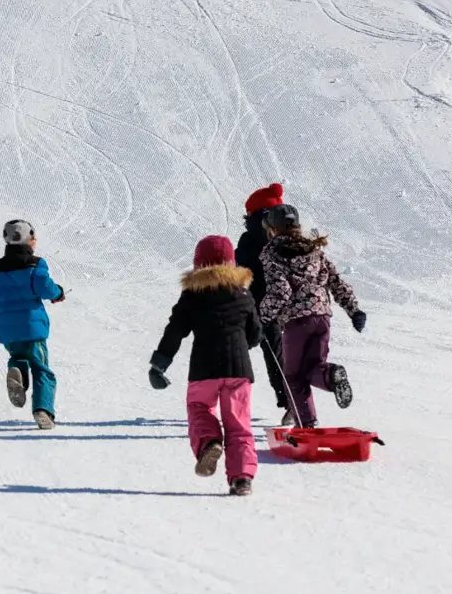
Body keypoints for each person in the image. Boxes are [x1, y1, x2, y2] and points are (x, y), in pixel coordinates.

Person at [149, 235, 262, 496]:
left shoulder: (193, 295)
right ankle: (242, 478)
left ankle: (209, 442)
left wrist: (159, 364)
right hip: (238, 370)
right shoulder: (243, 294)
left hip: (204, 367)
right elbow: (255, 334)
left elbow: (175, 331)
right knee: (239, 424)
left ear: (199, 263)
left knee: (199, 408)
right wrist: (241, 342)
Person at [258, 205, 366, 427]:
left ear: (273, 229)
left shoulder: (273, 252)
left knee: (294, 376)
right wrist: (354, 310)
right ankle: (332, 374)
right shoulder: (313, 249)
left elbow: (281, 291)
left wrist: (263, 317)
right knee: (313, 368)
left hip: (297, 322)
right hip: (322, 317)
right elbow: (335, 281)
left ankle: (307, 426)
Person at [0, 220, 66, 429]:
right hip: (32, 327)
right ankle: (43, 410)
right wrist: (58, 293)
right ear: (29, 239)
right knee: (42, 369)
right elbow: (44, 287)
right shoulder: (35, 265)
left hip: (7, 329)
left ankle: (17, 369)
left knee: (19, 356)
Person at [235, 183, 291, 424]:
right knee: (287, 351)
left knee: (248, 349)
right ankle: (295, 399)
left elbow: (242, 267)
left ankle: (288, 400)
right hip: (292, 304)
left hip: (260, 306)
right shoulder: (286, 236)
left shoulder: (250, 239)